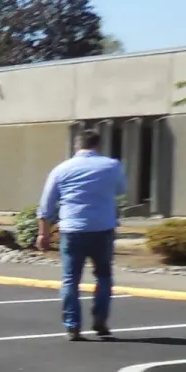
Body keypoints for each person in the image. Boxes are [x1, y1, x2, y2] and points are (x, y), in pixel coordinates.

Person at [34, 129, 127, 341]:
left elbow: (46, 205)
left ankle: (72, 325)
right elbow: (121, 190)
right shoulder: (112, 166)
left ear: (77, 145)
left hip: (72, 229)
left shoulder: (62, 169)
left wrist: (43, 234)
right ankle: (100, 320)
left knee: (70, 280)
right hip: (102, 228)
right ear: (98, 145)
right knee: (103, 276)